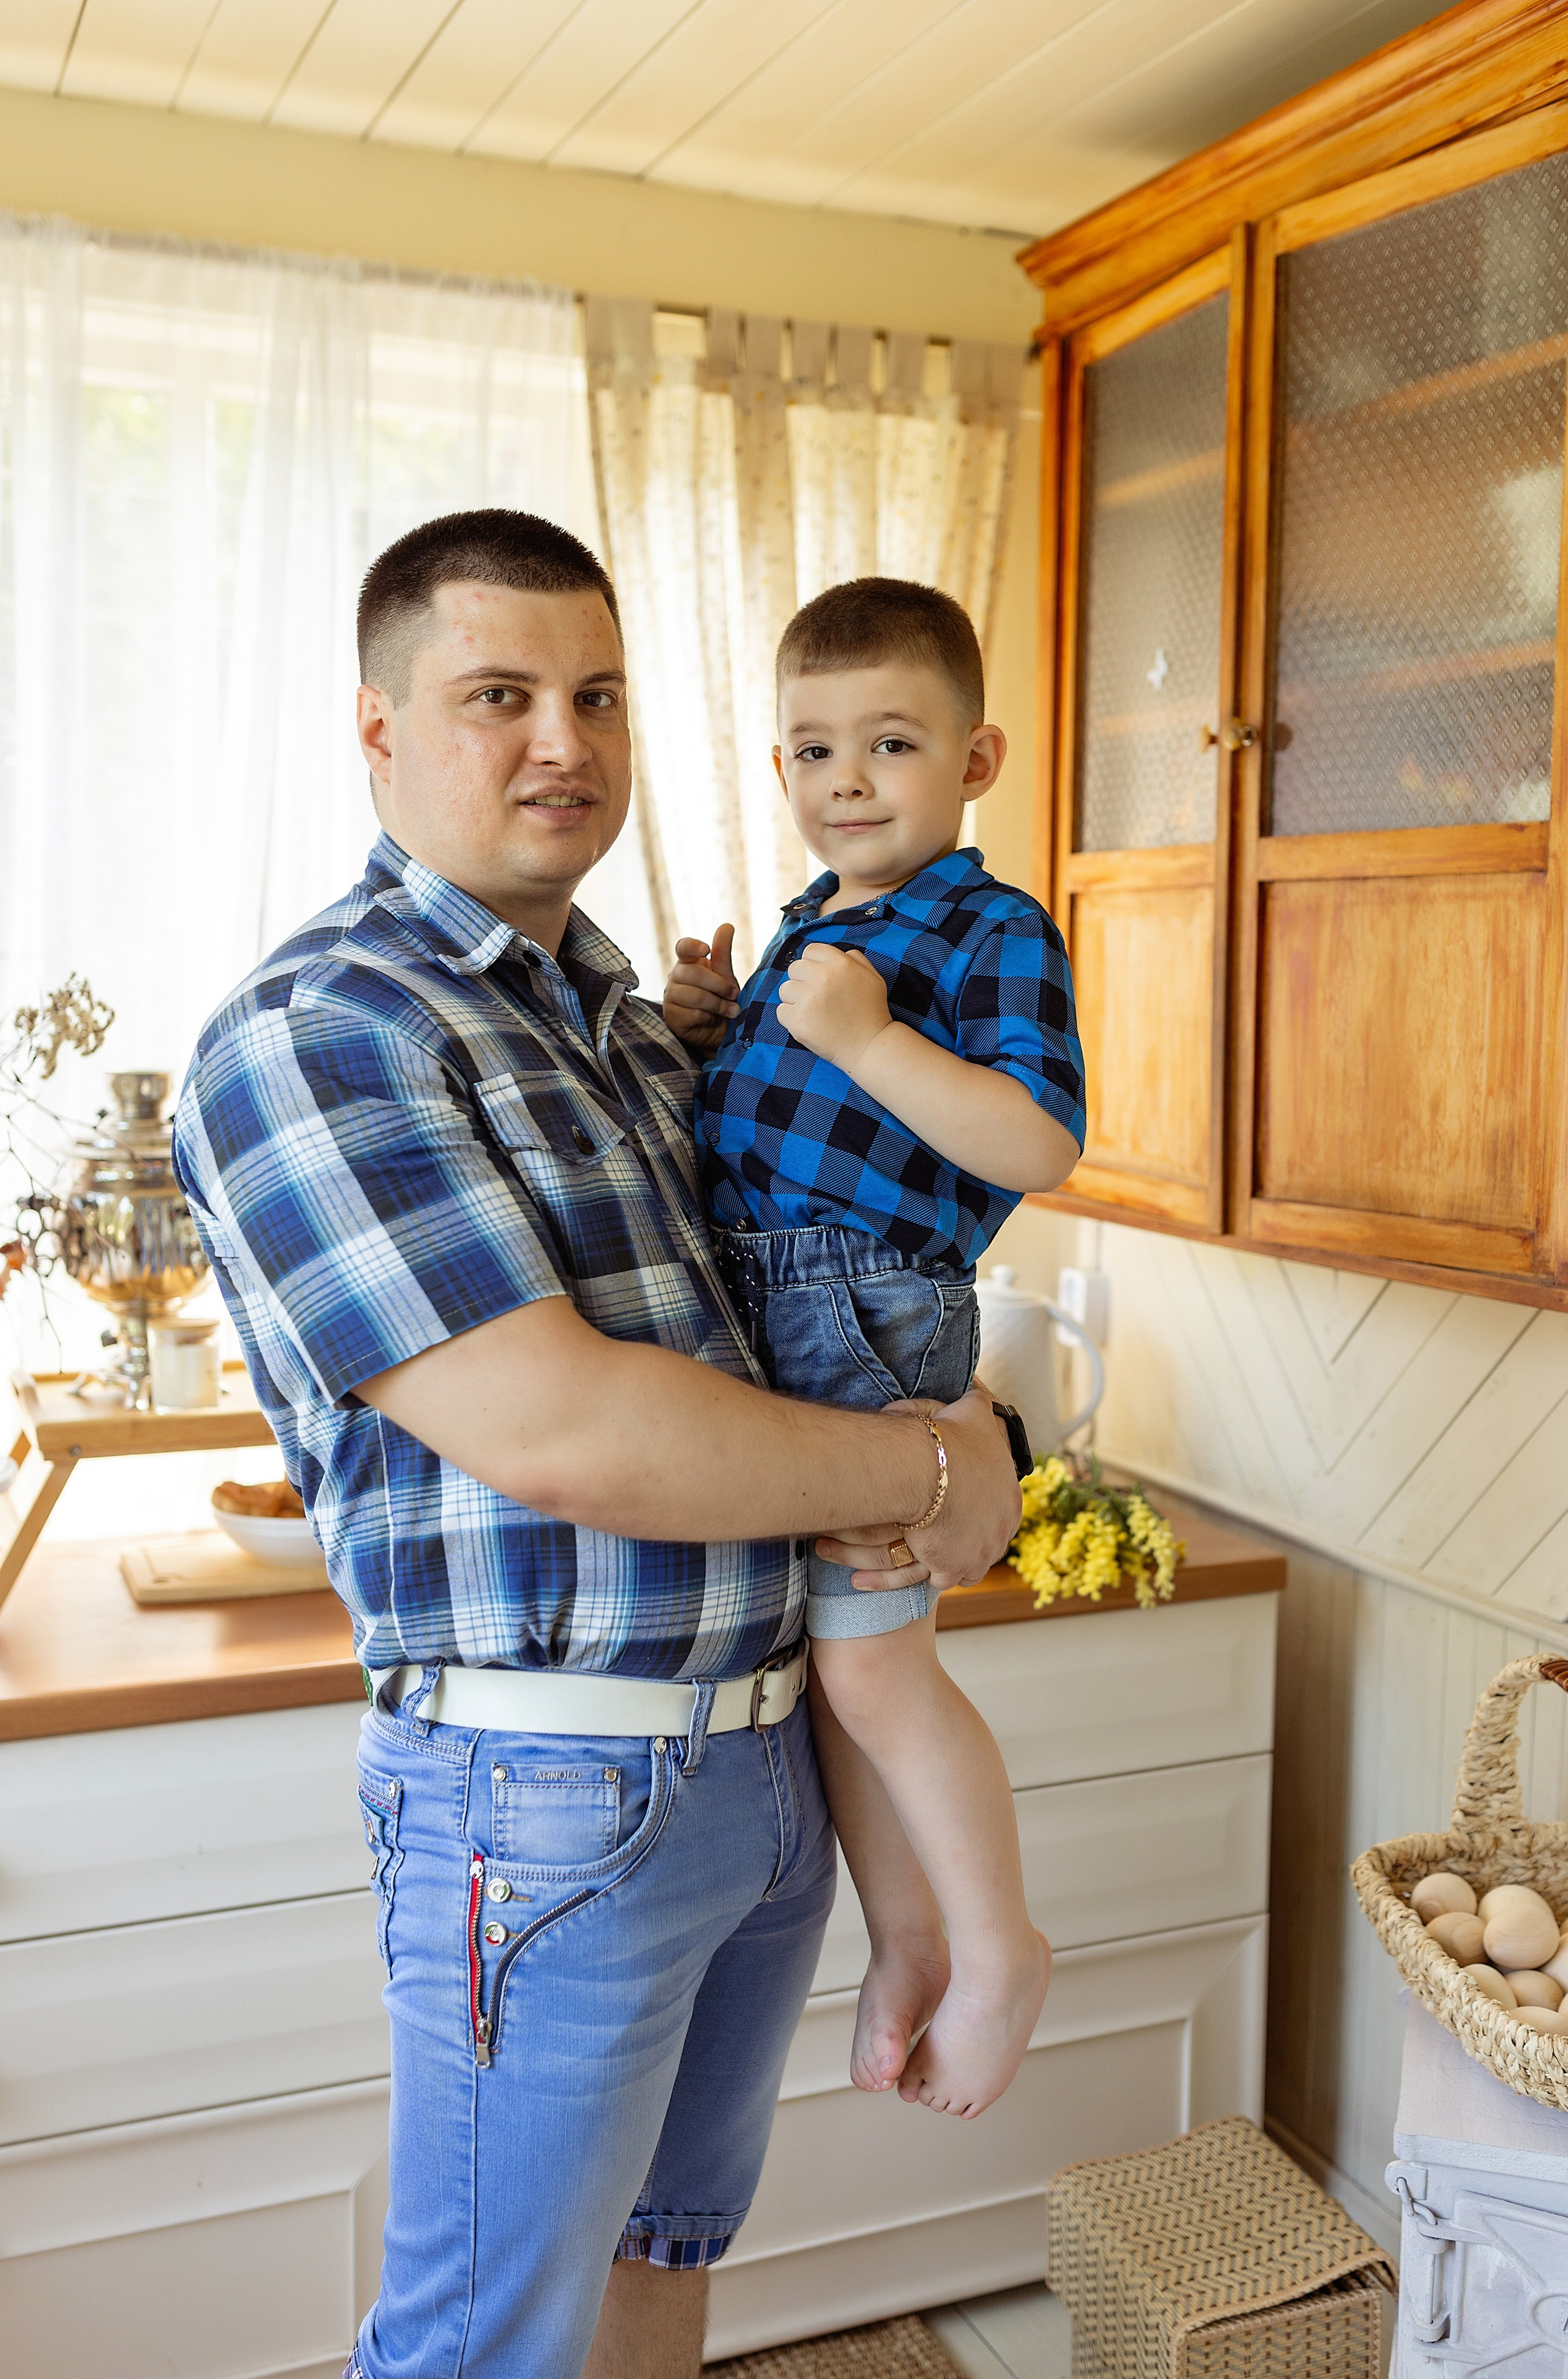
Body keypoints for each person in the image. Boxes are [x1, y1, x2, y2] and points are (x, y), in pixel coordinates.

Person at [172, 512, 1022, 2379]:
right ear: (382, 732)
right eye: (498, 696)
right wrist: (947, 1472)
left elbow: (835, 1284)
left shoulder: (642, 1038)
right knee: (491, 2345)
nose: (561, 739)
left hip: (759, 1774)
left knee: (660, 2276)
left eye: (598, 694)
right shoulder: (326, 1031)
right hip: (544, 1801)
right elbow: (573, 1435)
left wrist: (974, 1430)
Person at [664, 577, 1085, 2121]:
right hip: (772, 1306)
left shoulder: (987, 924)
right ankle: (908, 1941)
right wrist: (715, 1029)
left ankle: (995, 1948)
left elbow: (1034, 1138)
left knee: (875, 1670)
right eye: (810, 750)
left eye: (889, 743)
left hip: (865, 1302)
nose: (844, 779)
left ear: (973, 763)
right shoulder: (808, 929)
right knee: (835, 1677)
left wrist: (861, 1039)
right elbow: (769, 1123)